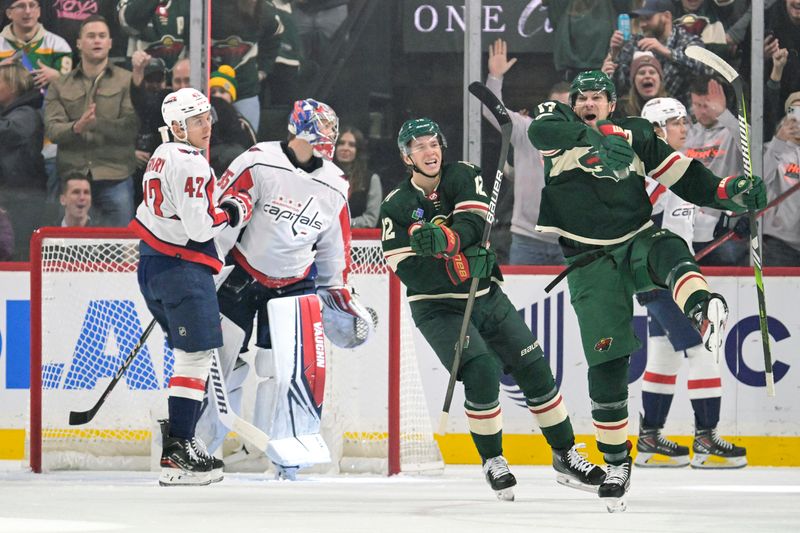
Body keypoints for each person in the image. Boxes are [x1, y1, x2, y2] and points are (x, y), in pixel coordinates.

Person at [527, 70, 765, 509]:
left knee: (667, 246)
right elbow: (541, 129)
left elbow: (686, 177)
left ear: (613, 103)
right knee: (609, 359)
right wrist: (597, 138)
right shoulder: (557, 124)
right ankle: (618, 460)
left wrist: (729, 192)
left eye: (598, 97)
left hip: (636, 239)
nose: (588, 102)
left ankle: (702, 306)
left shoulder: (638, 133)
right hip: (589, 261)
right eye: (582, 97)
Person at [380, 117, 606, 502]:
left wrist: (450, 244)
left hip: (486, 295)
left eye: (433, 143)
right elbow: (411, 273)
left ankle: (566, 454)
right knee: (481, 368)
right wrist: (460, 263)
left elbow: (474, 222)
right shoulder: (396, 205)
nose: (429, 151)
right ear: (406, 156)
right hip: (436, 308)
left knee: (533, 364)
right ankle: (493, 460)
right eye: (418, 146)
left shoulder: (464, 175)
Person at [195, 99, 373, 480]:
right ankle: (202, 449)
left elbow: (333, 246)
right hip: (243, 273)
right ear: (298, 130)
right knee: (222, 365)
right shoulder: (256, 161)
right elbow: (221, 217)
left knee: (283, 372)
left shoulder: (335, 184)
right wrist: (206, 265)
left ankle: (280, 455)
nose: (327, 140)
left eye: (330, 132)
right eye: (321, 131)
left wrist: (336, 291)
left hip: (295, 282)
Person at [128, 87, 253, 486]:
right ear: (178, 126)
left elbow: (154, 212)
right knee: (194, 358)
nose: (206, 126)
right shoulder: (191, 163)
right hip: (182, 268)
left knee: (190, 357)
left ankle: (180, 443)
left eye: (206, 118)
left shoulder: (161, 155)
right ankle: (180, 447)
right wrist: (232, 210)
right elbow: (200, 226)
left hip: (153, 265)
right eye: (196, 120)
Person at [636, 97, 747, 469]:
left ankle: (650, 439)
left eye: (685, 121)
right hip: (661, 278)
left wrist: (727, 222)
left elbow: (688, 223)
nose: (685, 128)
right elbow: (637, 221)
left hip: (670, 279)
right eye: (676, 122)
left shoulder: (678, 170)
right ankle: (706, 440)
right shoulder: (652, 175)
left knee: (664, 356)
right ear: (657, 130)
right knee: (703, 348)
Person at [44, 15, 138, 227]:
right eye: (91, 36)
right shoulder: (60, 84)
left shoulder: (127, 80)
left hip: (116, 175)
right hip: (71, 178)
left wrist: (97, 124)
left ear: (110, 43)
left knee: (121, 249)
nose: (97, 41)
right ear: (78, 43)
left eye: (102, 36)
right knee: (59, 248)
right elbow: (52, 129)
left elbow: (131, 128)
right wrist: (77, 127)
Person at [483, 38, 563, 265]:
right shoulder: (528, 130)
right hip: (527, 239)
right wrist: (495, 77)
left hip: (570, 242)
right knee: (523, 302)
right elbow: (492, 111)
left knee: (573, 301)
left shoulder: (585, 138)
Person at [684, 77, 747, 266]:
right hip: (687, 227)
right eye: (697, 104)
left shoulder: (732, 131)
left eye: (707, 105)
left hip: (723, 231)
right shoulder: (685, 133)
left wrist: (724, 115)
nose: (701, 111)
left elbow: (754, 148)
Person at [603, 0, 712, 106]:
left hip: (681, 115)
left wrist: (666, 52)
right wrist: (614, 53)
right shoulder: (635, 43)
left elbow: (705, 69)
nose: (642, 24)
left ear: (666, 16)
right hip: (641, 114)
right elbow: (620, 88)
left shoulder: (688, 41)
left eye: (648, 18)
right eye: (640, 19)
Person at [0, 59, 46, 260]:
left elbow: (9, 132)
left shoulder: (27, 113)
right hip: (10, 194)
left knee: (19, 251)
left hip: (22, 196)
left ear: (13, 85)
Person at [762, 95, 800, 266]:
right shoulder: (771, 150)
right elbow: (759, 179)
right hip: (778, 243)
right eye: (795, 112)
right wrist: (778, 141)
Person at [334, 125, 382, 228]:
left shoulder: (371, 179)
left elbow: (371, 220)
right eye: (341, 143)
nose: (345, 148)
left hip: (357, 240)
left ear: (358, 150)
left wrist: (343, 224)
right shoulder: (323, 176)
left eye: (351, 145)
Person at [616, 51, 667, 118]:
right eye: (642, 73)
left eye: (652, 72)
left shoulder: (673, 105)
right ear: (634, 81)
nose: (647, 76)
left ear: (660, 79)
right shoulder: (621, 108)